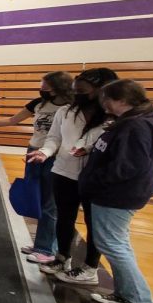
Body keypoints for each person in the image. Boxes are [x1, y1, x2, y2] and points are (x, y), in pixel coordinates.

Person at [0, 71, 73, 261]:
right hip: (34, 151)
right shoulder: (38, 103)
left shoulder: (70, 108)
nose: (41, 87)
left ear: (57, 87)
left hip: (55, 156)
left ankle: (47, 249)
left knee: (50, 204)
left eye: (45, 84)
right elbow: (12, 120)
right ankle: (41, 243)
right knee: (37, 198)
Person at [80, 80, 153, 303]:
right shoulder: (129, 123)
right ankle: (125, 293)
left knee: (114, 245)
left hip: (117, 195)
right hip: (113, 193)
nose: (104, 103)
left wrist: (96, 180)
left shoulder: (136, 126)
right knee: (114, 244)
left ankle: (142, 301)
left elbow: (128, 166)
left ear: (123, 100)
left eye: (108, 98)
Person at [26, 68, 118, 283]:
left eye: (84, 91)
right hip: (63, 171)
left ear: (100, 91)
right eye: (76, 91)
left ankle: (89, 267)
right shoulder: (66, 112)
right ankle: (62, 257)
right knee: (64, 218)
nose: (78, 95)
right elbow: (54, 138)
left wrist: (87, 148)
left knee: (93, 222)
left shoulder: (112, 118)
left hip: (94, 177)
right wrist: (44, 152)